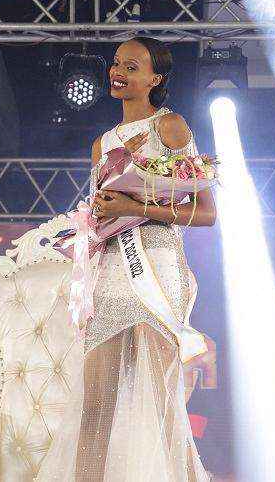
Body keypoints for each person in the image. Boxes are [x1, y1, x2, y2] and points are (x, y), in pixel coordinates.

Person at [39, 36, 215, 481]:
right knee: (96, 403)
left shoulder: (169, 126)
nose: (118, 72)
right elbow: (100, 208)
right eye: (116, 64)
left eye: (132, 67)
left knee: (161, 400)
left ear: (155, 79)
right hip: (112, 271)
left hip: (155, 268)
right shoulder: (101, 144)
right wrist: (97, 217)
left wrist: (134, 206)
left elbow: (206, 212)